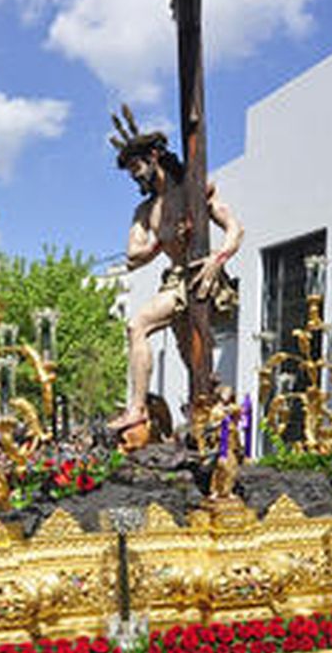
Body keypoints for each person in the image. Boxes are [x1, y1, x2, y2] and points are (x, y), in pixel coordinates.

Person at [104, 104, 243, 437]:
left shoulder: (192, 191)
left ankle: (137, 409)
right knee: (192, 357)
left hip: (199, 275)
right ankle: (215, 398)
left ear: (154, 157)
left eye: (137, 166)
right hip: (174, 280)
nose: (135, 176)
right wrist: (158, 246)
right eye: (130, 172)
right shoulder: (146, 209)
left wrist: (217, 259)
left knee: (137, 324)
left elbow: (235, 228)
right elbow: (132, 255)